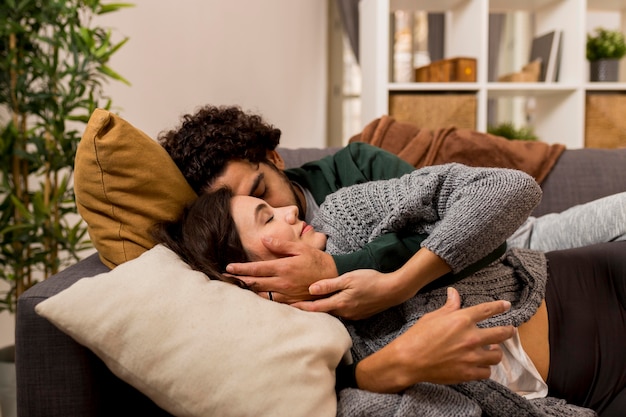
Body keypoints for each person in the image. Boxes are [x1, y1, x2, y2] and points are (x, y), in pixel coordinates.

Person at [152, 170, 626, 416]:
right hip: (590, 393)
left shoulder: (346, 217)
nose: (289, 212)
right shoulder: (309, 355)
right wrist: (387, 371)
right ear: (241, 276)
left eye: (271, 204)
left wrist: (397, 284)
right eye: (266, 219)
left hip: (597, 291)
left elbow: (508, 187)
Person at [158, 104, 626, 314]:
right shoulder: (261, 267)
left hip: (518, 238)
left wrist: (335, 266)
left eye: (263, 190)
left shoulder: (356, 168)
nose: (280, 213)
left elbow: (473, 233)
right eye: (251, 209)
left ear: (275, 159)